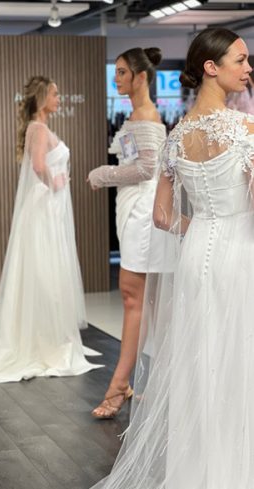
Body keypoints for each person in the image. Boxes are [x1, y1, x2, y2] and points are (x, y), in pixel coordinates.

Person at [77, 28, 254, 489]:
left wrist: (205, 226)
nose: (248, 68)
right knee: (239, 363)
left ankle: (198, 476)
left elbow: (161, 216)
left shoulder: (176, 138)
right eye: (240, 60)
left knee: (204, 361)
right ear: (212, 67)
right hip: (241, 251)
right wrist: (231, 223)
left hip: (198, 254)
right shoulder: (246, 130)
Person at [0, 76, 102, 384]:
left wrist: (57, 181)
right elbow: (38, 165)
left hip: (51, 206)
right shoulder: (38, 129)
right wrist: (55, 181)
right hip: (46, 206)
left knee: (49, 268)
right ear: (42, 97)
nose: (59, 98)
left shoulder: (41, 128)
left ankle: (50, 334)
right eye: (55, 94)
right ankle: (45, 338)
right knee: (46, 269)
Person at [86, 48, 171, 419]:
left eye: (122, 72)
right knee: (139, 300)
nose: (116, 78)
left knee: (134, 297)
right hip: (134, 210)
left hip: (143, 213)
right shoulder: (138, 115)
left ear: (141, 76)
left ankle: (119, 384)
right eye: (116, 71)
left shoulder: (146, 116)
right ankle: (140, 381)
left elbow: (147, 168)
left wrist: (102, 174)